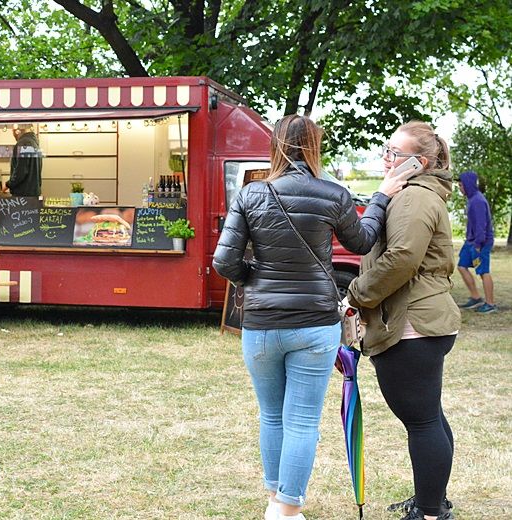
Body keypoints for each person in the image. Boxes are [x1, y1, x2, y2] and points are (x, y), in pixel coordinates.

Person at [212, 114, 409, 520]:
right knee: (301, 419)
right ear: (315, 147)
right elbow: (363, 239)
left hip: (262, 326)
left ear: (276, 146)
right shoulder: (332, 194)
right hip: (316, 324)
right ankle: (286, 507)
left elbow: (223, 261)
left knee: (271, 414)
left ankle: (274, 499)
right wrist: (382, 197)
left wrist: (255, 282)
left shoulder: (251, 195)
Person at [346, 121, 461, 520]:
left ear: (420, 162)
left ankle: (430, 512)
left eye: (394, 154)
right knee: (428, 415)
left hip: (413, 325)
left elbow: (401, 259)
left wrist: (356, 294)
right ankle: (432, 499)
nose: (386, 159)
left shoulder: (414, 198)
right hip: (423, 320)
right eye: (386, 150)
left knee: (422, 419)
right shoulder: (418, 194)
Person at [456, 170, 496, 313]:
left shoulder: (478, 201)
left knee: (483, 271)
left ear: (468, 185)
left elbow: (481, 225)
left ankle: (490, 304)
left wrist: (478, 245)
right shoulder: (472, 199)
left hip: (481, 242)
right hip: (471, 241)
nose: (460, 189)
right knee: (461, 266)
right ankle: (476, 297)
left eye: (461, 186)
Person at [5, 125, 42, 197]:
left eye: (13, 132)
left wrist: (8, 184)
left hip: (23, 196)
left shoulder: (23, 144)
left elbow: (21, 171)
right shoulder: (35, 144)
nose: (13, 135)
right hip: (34, 193)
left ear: (17, 131)